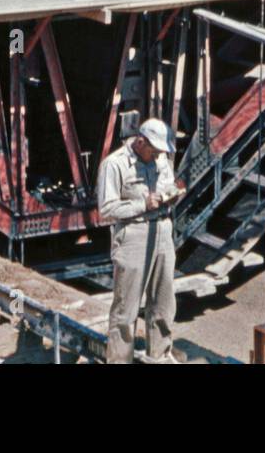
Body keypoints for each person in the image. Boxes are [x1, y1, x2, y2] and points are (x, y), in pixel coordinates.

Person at [96, 118, 184, 364]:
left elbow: (167, 185)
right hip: (133, 234)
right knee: (126, 309)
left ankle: (160, 356)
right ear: (140, 141)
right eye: (153, 150)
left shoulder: (161, 160)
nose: (157, 156)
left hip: (163, 231)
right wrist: (142, 204)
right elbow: (106, 209)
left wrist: (172, 196)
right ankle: (119, 361)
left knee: (164, 303)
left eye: (160, 152)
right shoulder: (114, 164)